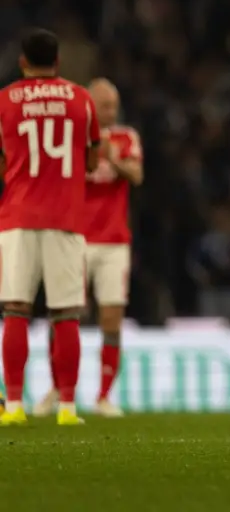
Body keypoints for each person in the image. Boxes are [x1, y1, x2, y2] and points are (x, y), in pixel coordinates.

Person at [0, 29, 101, 426]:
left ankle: (13, 406)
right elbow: (92, 163)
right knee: (65, 315)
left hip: (18, 218)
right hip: (65, 219)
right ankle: (67, 408)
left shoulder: (5, 101)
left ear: (23, 61)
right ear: (58, 62)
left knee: (15, 311)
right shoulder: (81, 99)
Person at [35, 78, 143, 419]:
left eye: (113, 105)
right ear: (89, 107)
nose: (111, 112)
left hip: (113, 244)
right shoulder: (72, 138)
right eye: (104, 106)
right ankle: (59, 387)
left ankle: (103, 396)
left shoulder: (126, 137)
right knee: (65, 318)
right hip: (75, 239)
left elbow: (137, 176)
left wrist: (115, 158)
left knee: (111, 320)